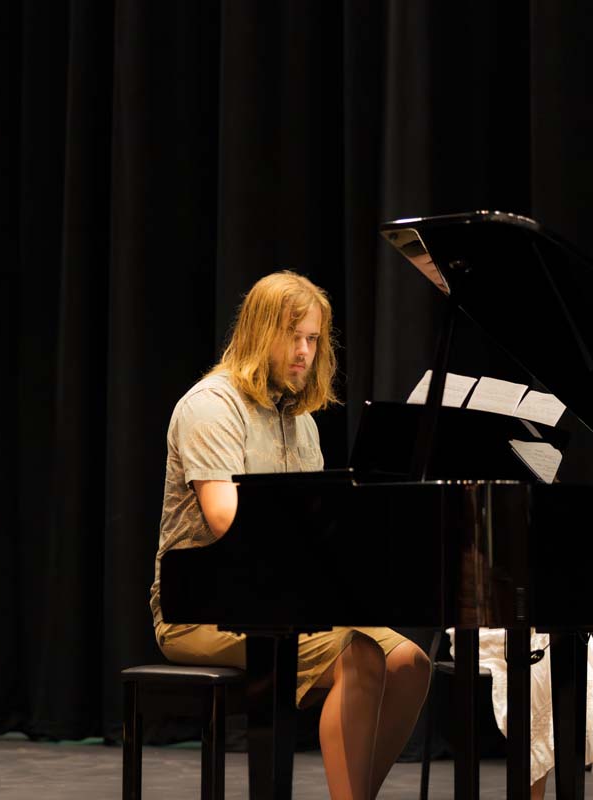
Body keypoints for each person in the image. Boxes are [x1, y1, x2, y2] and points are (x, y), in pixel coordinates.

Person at [150, 271, 432, 800]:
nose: (305, 352)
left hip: (287, 600)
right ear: (261, 332)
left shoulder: (301, 422)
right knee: (362, 655)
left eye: (314, 339)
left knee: (411, 662)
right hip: (203, 609)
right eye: (294, 336)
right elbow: (224, 519)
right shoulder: (211, 406)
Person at [449, 628, 593, 797]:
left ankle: (532, 790)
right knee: (554, 641)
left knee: (563, 633)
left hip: (543, 631)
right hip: (483, 632)